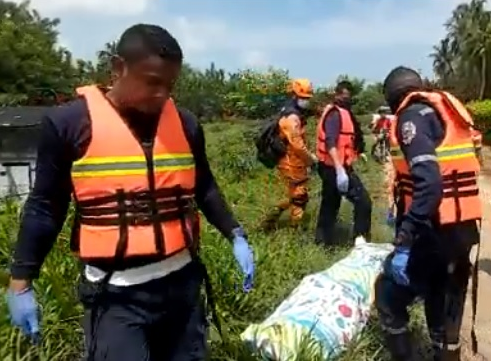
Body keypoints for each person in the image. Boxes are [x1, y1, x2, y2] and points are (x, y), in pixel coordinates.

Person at [5, 24, 255, 361]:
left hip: (182, 286)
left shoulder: (186, 124)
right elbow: (45, 207)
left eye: (170, 84)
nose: (162, 93)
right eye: (152, 81)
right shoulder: (68, 124)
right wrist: (21, 280)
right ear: (118, 67)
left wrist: (235, 233)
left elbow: (204, 186)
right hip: (115, 294)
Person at [374, 66, 482, 361]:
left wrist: (406, 238)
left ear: (394, 98)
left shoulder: (410, 118)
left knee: (387, 296)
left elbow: (430, 184)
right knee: (442, 300)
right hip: (461, 229)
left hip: (433, 231)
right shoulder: (444, 112)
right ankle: (443, 352)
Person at [315, 80, 372, 246]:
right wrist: (340, 170)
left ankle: (322, 243)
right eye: (343, 95)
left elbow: (349, 140)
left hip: (332, 166)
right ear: (337, 94)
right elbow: (330, 141)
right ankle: (360, 240)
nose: (345, 99)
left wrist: (358, 153)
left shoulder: (344, 113)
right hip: (334, 168)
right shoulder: (334, 114)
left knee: (330, 205)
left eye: (348, 96)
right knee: (363, 201)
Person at [260, 78, 317, 230]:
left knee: (294, 196)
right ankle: (294, 230)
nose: (306, 101)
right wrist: (311, 159)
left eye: (307, 98)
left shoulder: (292, 112)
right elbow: (297, 145)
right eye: (303, 98)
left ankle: (271, 219)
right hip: (291, 162)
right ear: (294, 95)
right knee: (299, 197)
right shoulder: (292, 117)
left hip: (295, 162)